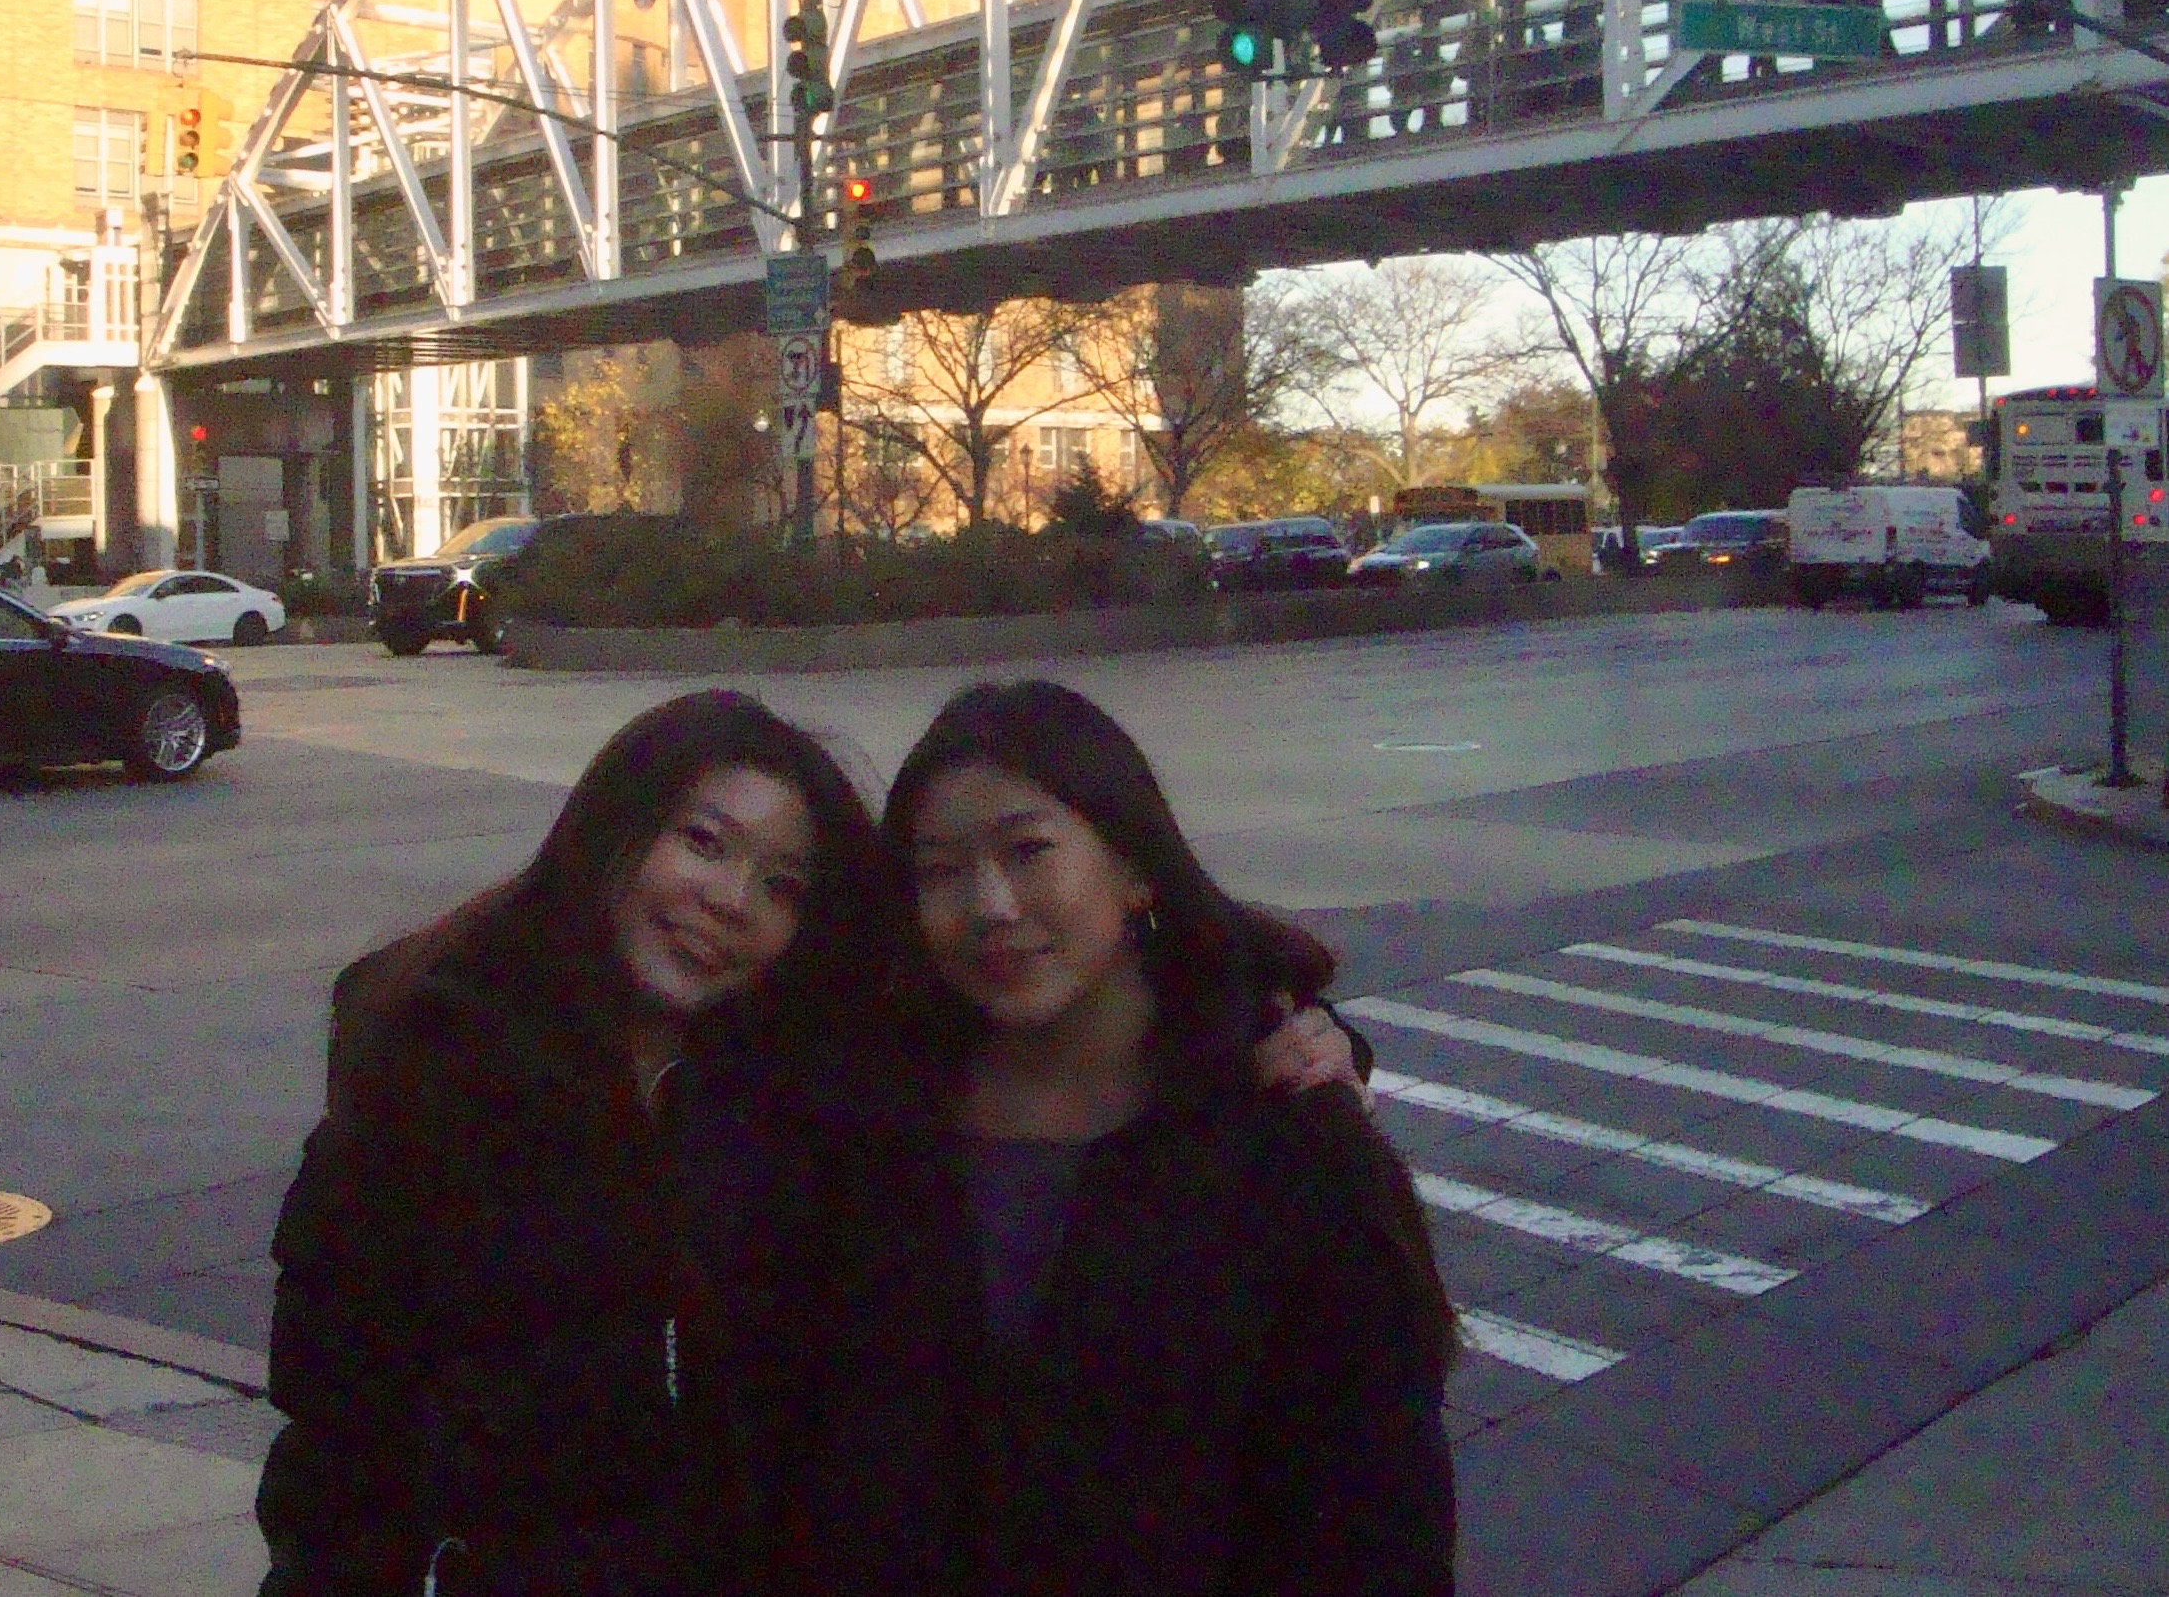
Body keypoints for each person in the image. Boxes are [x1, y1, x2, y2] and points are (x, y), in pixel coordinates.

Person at [257, 687, 1368, 1596]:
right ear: (611, 826)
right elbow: (335, 1454)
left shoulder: (799, 1092)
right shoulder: (430, 1082)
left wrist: (1285, 1031)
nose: (728, 901)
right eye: (703, 842)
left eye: (782, 885)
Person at [782, 679, 1457, 1596]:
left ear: (1134, 866)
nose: (989, 905)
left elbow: (1371, 1521)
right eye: (938, 870)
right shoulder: (873, 1120)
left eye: (1027, 851)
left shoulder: (1279, 1132)